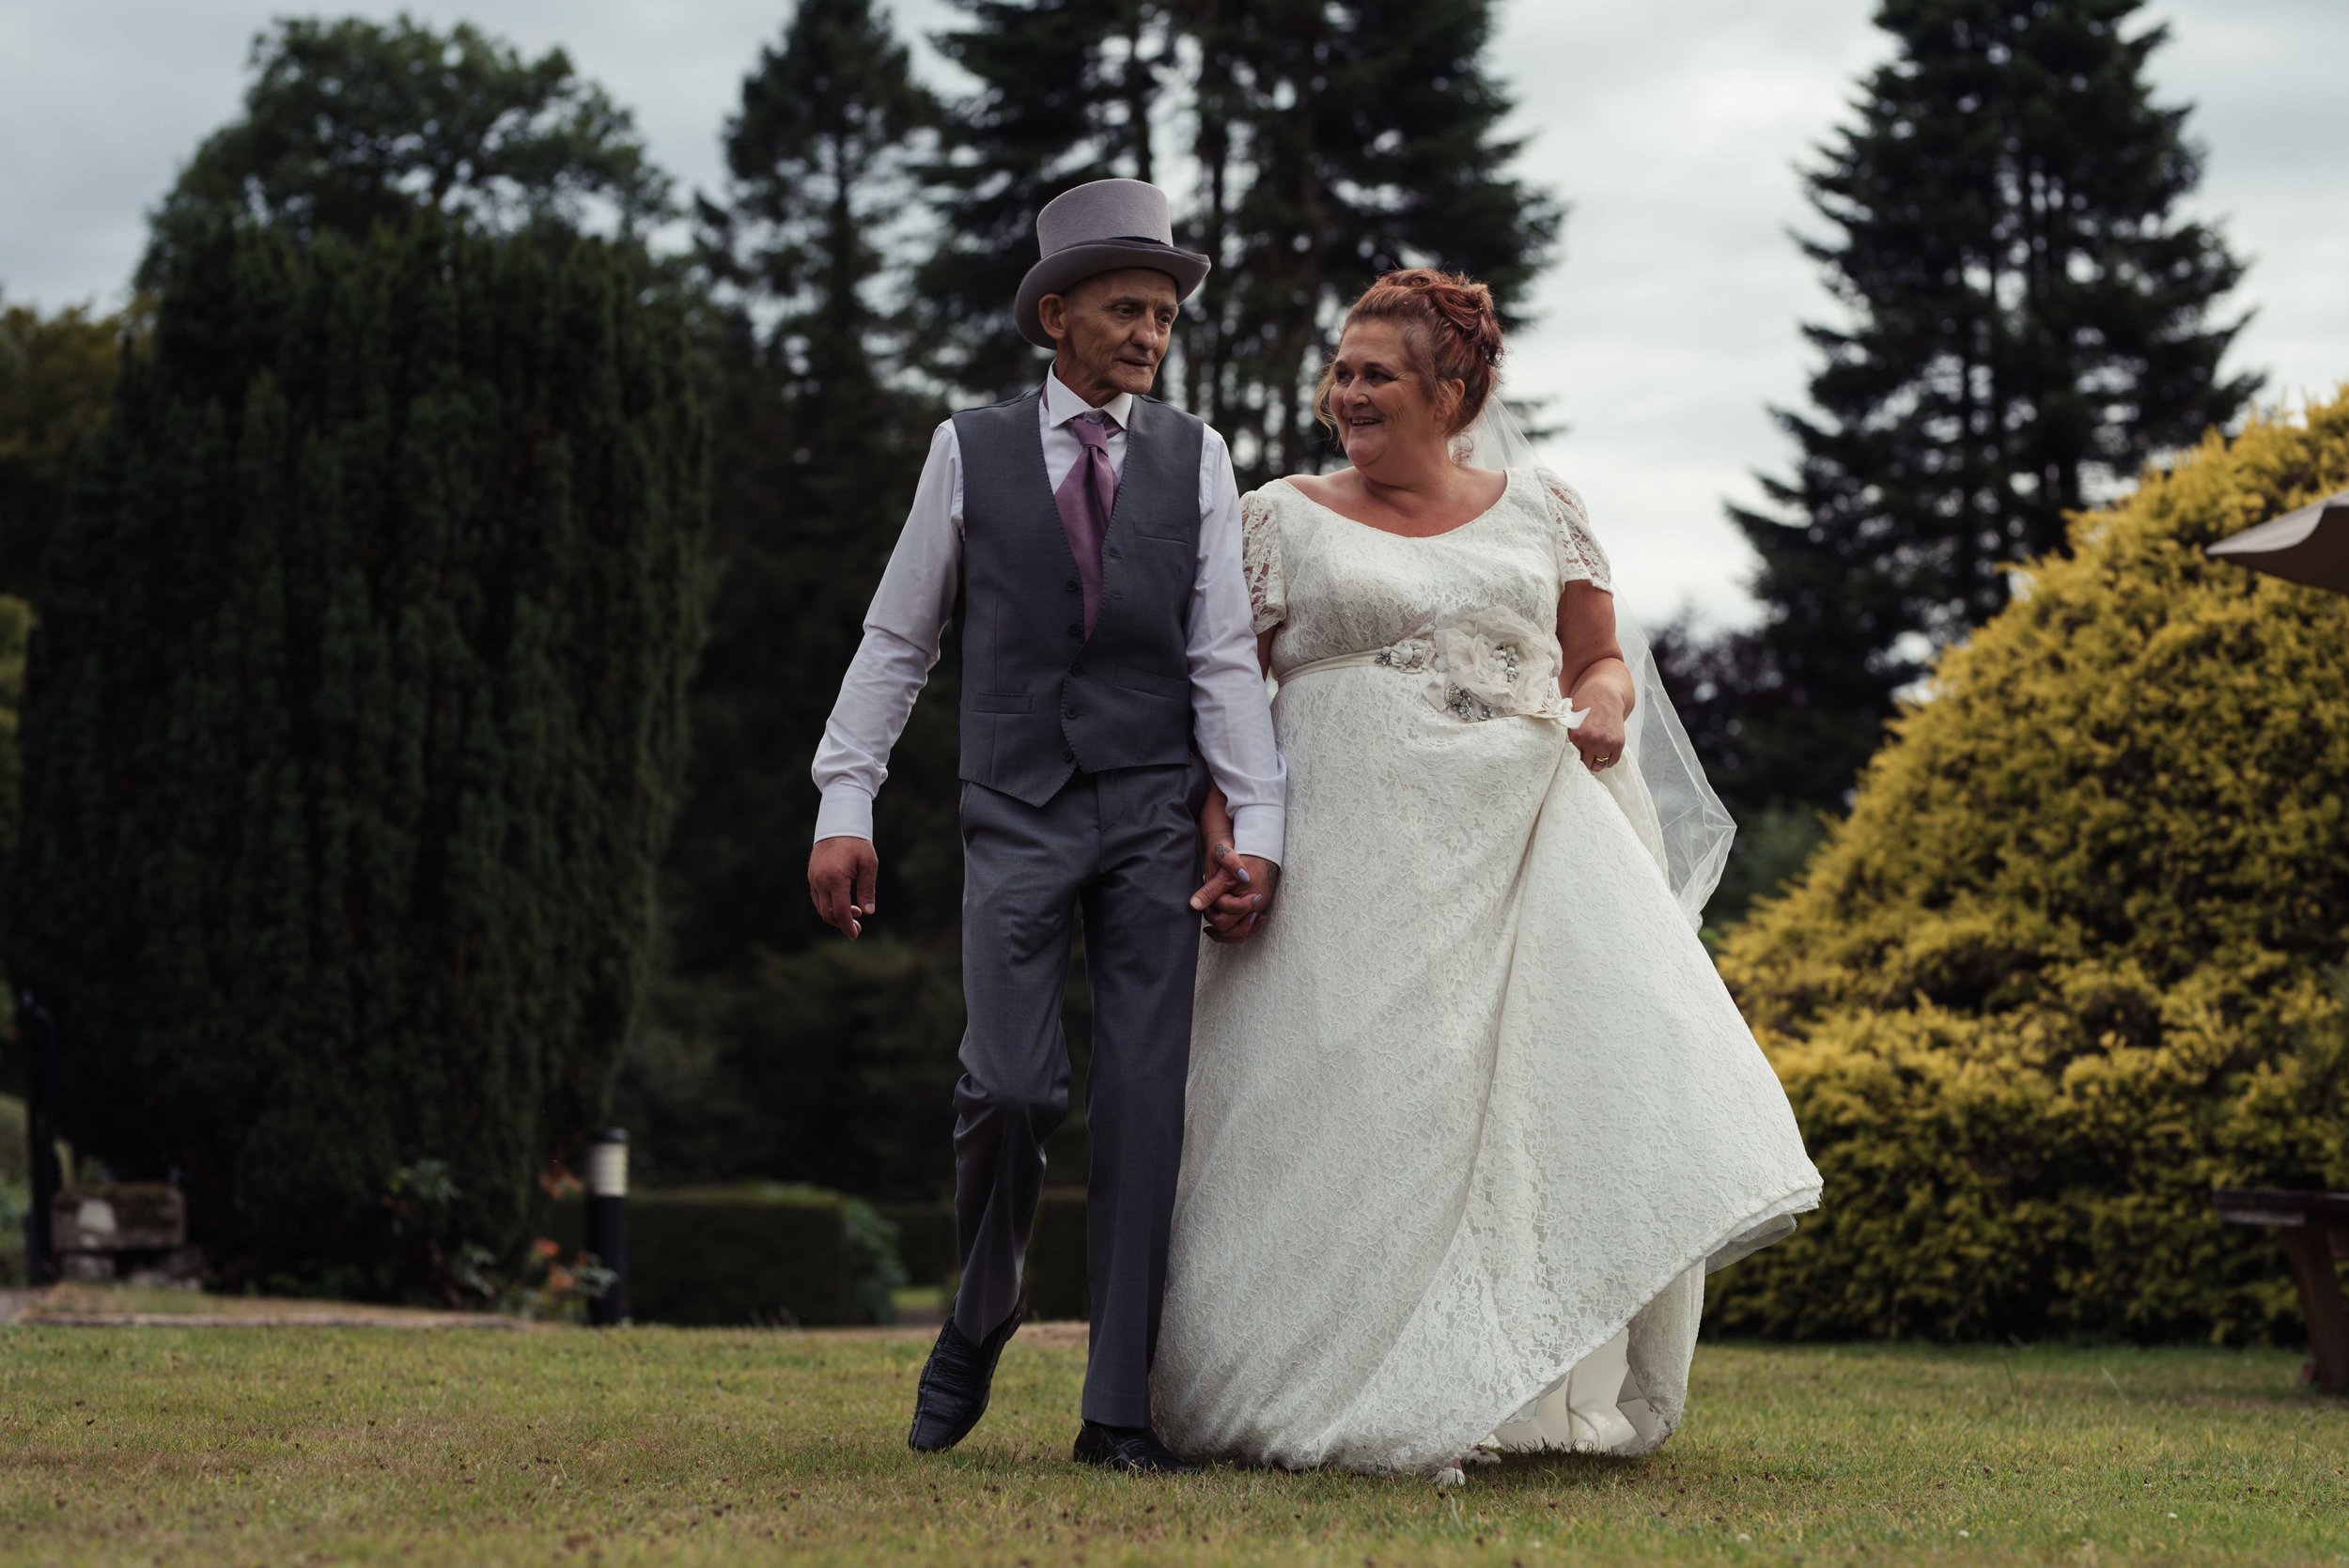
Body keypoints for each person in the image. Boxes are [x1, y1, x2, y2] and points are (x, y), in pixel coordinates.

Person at [1151, 269, 1822, 1484]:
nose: (1345, 392)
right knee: (1354, 1098)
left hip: (1518, 842)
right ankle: (1315, 1373)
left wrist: (1605, 713)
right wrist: (1234, 832)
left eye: (1376, 373)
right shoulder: (1279, 515)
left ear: (1453, 390)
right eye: (1341, 369)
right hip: (1346, 857)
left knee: (1499, 1103)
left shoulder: (1544, 509)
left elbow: (1601, 658)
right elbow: (1226, 696)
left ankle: (1473, 1373)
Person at [806, 179, 1284, 1475]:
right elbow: (899, 639)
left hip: (1149, 815)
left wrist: (1258, 827)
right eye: (1127, 309)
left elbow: (1223, 660)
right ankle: (982, 1302)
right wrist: (845, 800)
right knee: (1008, 1085)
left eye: (1166, 313)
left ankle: (1116, 1405)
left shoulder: (1197, 456)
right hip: (1013, 805)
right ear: (1054, 317)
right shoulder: (968, 448)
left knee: (1141, 1102)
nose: (1151, 332)